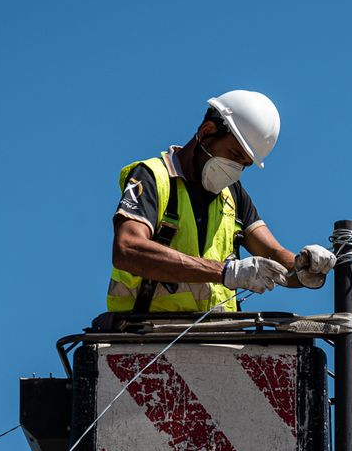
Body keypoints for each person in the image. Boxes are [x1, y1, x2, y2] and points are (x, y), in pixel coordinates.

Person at [107, 90, 334, 313]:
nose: (235, 170)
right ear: (207, 131)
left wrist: (303, 266)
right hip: (146, 338)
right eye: (235, 155)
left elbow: (273, 254)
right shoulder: (154, 177)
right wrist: (226, 272)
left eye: (244, 164)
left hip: (218, 339)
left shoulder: (233, 195)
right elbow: (127, 248)